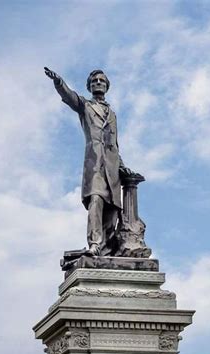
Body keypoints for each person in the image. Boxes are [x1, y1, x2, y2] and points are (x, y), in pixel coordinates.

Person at [44, 67, 137, 256]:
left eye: (102, 81)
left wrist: (121, 166)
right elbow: (71, 97)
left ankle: (107, 250)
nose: (98, 83)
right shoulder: (86, 106)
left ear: (107, 86)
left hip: (112, 168)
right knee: (96, 200)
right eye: (94, 81)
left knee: (112, 209)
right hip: (94, 165)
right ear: (89, 86)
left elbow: (114, 144)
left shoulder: (112, 115)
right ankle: (94, 243)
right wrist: (59, 83)